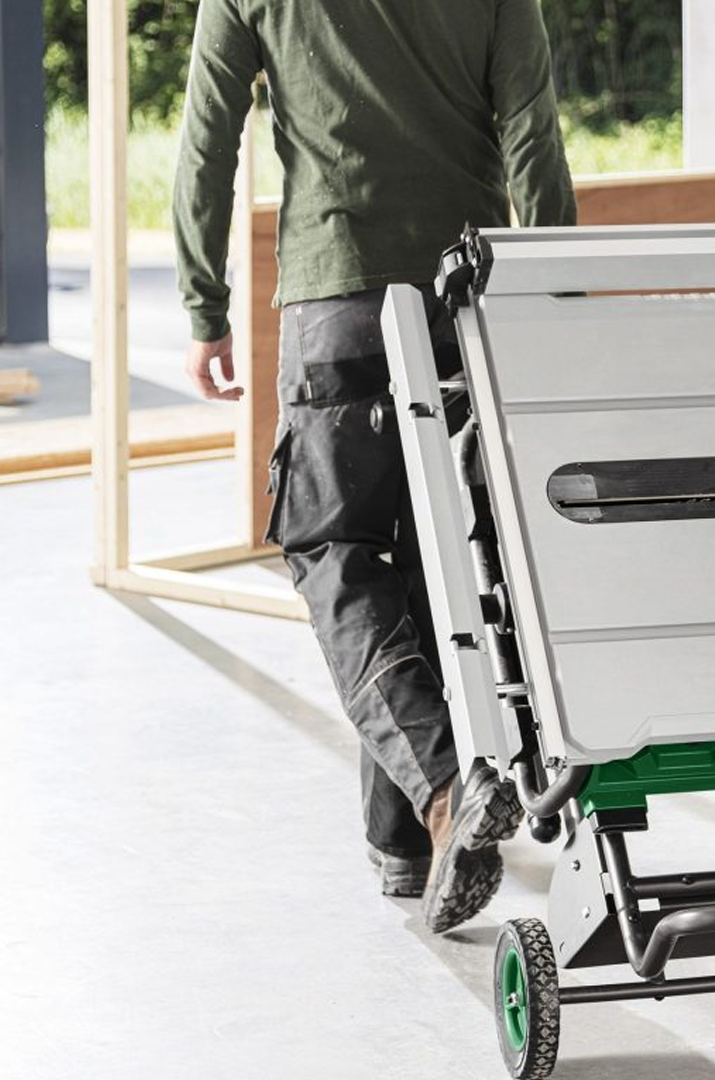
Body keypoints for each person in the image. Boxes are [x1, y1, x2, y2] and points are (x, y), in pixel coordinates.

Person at [172, 0, 576, 932]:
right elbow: (533, 133)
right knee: (438, 556)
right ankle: (405, 849)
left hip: (336, 294)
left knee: (333, 549)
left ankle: (443, 790)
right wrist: (547, 289)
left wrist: (203, 307)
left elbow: (208, 144)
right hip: (463, 296)